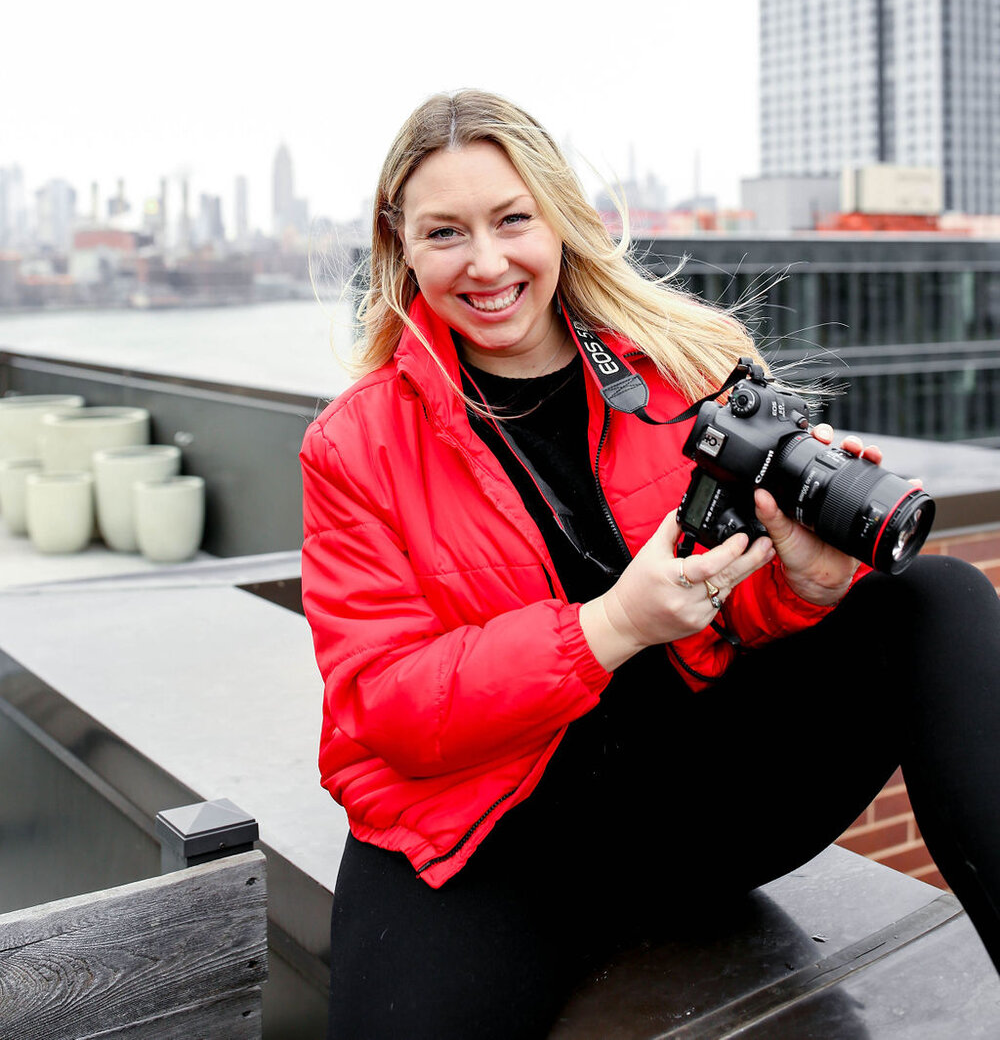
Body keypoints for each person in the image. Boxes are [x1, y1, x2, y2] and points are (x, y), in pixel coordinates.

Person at [301, 90, 1000, 1040]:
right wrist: (610, 625)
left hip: (692, 798)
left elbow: (727, 616)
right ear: (402, 247)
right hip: (499, 834)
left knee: (937, 599)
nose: (487, 261)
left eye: (513, 219)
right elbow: (383, 703)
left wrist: (801, 584)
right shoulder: (357, 444)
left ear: (560, 220)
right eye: (446, 232)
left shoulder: (681, 368)